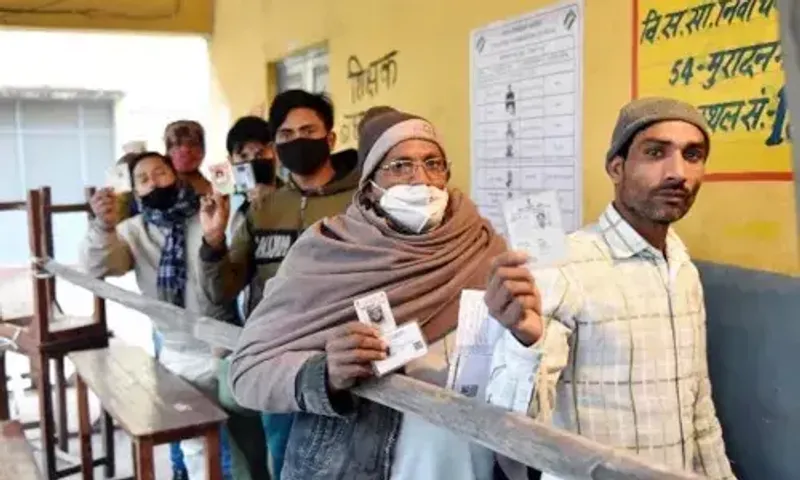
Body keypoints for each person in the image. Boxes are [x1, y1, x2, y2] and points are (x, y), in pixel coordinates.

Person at [227, 106, 508, 480]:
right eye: (400, 166)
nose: (419, 180)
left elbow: (517, 369)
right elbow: (247, 373)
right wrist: (324, 373)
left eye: (433, 163)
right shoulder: (327, 250)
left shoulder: (484, 246)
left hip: (471, 463)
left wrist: (528, 338)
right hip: (354, 464)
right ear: (370, 182)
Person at [484, 97, 735, 480]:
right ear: (616, 168)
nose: (678, 173)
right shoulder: (563, 267)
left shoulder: (682, 269)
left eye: (693, 155)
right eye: (655, 153)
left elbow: (699, 410)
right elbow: (516, 426)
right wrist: (526, 343)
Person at [200, 90, 359, 478]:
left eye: (308, 130)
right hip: (281, 365)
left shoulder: (360, 201)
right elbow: (223, 288)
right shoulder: (264, 207)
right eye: (286, 135)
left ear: (331, 138)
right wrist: (214, 240)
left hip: (347, 363)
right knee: (286, 464)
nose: (297, 140)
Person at [81, 152, 240, 480]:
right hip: (178, 355)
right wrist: (103, 226)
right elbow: (98, 265)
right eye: (143, 179)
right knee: (197, 447)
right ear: (135, 191)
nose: (154, 182)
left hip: (228, 348)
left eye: (160, 172)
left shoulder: (209, 212)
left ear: (176, 174)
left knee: (242, 442)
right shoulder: (133, 232)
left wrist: (216, 235)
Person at [164, 120, 212, 196]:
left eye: (193, 144)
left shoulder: (218, 186)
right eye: (177, 144)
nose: (185, 149)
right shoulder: (157, 187)